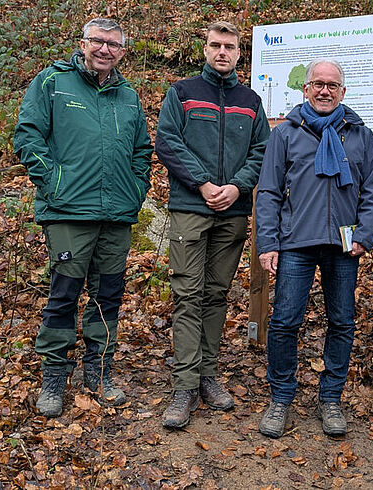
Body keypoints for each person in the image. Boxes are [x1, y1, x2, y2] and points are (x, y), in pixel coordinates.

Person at [13, 18, 152, 418]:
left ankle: (99, 372)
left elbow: (142, 149)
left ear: (123, 51)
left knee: (108, 295)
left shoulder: (128, 96)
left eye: (114, 45)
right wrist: (53, 182)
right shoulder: (53, 83)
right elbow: (28, 135)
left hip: (116, 216)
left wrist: (135, 188)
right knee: (64, 295)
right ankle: (55, 375)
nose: (105, 50)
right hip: (69, 212)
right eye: (99, 42)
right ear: (83, 43)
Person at [254, 60, 373, 438]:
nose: (325, 91)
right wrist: (268, 242)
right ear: (306, 89)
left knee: (341, 322)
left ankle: (330, 398)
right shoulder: (286, 135)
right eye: (318, 84)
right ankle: (281, 398)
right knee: (284, 322)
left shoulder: (360, 134)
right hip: (296, 242)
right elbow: (270, 193)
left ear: (343, 92)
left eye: (333, 85)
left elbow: (372, 190)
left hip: (344, 247)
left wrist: (365, 233)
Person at [154, 21, 270, 429]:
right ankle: (184, 385)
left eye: (230, 47)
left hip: (233, 213)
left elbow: (262, 150)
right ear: (204, 49)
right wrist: (203, 184)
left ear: (240, 54)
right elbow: (167, 141)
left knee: (216, 295)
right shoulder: (182, 93)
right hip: (191, 207)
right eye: (215, 45)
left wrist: (238, 188)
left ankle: (208, 376)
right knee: (188, 294)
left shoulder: (251, 101)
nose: (222, 52)